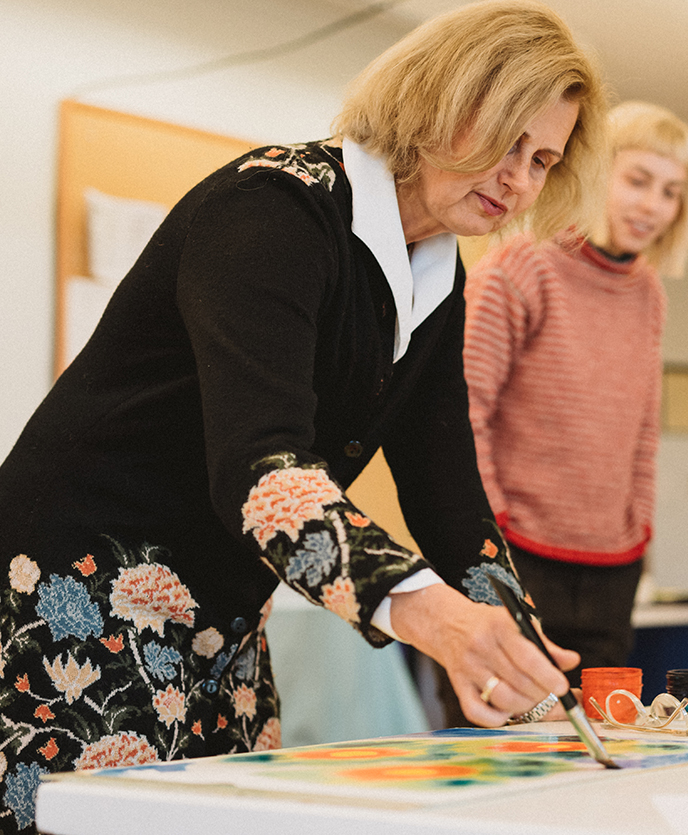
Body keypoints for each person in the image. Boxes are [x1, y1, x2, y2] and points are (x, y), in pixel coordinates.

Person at [0, 2, 607, 830]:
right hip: (79, 594)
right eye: (507, 142)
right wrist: (430, 612)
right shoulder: (273, 211)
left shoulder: (438, 275)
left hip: (222, 615)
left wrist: (538, 680)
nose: (521, 180)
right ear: (436, 102)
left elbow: (449, 499)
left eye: (542, 160)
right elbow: (261, 467)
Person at [462, 101, 688, 698]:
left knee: (602, 742)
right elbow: (466, 413)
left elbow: (644, 427)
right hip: (516, 551)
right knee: (505, 730)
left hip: (613, 564)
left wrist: (637, 524)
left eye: (671, 191)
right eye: (638, 180)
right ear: (594, 172)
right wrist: (495, 526)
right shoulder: (522, 264)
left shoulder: (648, 290)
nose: (653, 205)